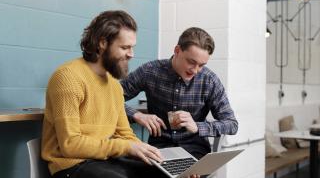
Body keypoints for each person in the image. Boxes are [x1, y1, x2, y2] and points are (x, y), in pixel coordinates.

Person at [41, 10, 170, 178]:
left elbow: (124, 134)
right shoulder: (68, 77)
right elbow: (70, 145)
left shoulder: (114, 86)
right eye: (125, 47)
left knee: (163, 173)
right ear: (102, 43)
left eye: (132, 47)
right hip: (70, 165)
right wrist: (127, 147)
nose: (131, 54)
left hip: (103, 160)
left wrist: (150, 154)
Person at [121, 27, 238, 160]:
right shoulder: (150, 71)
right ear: (177, 51)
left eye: (201, 65)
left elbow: (232, 124)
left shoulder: (209, 80)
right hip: (159, 149)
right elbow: (110, 98)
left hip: (195, 151)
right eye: (191, 62)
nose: (195, 70)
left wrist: (198, 126)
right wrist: (137, 115)